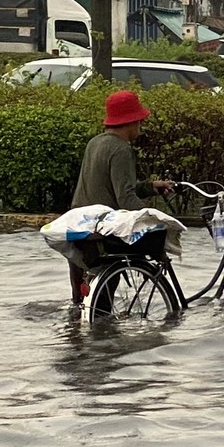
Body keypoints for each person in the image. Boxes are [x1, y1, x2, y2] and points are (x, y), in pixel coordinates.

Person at [65, 90, 173, 301]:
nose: (140, 127)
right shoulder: (121, 149)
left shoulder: (95, 143)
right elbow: (125, 199)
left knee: (80, 301)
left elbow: (111, 187)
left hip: (79, 229)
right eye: (139, 122)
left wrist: (151, 186)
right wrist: (154, 221)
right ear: (131, 122)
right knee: (103, 304)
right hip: (102, 234)